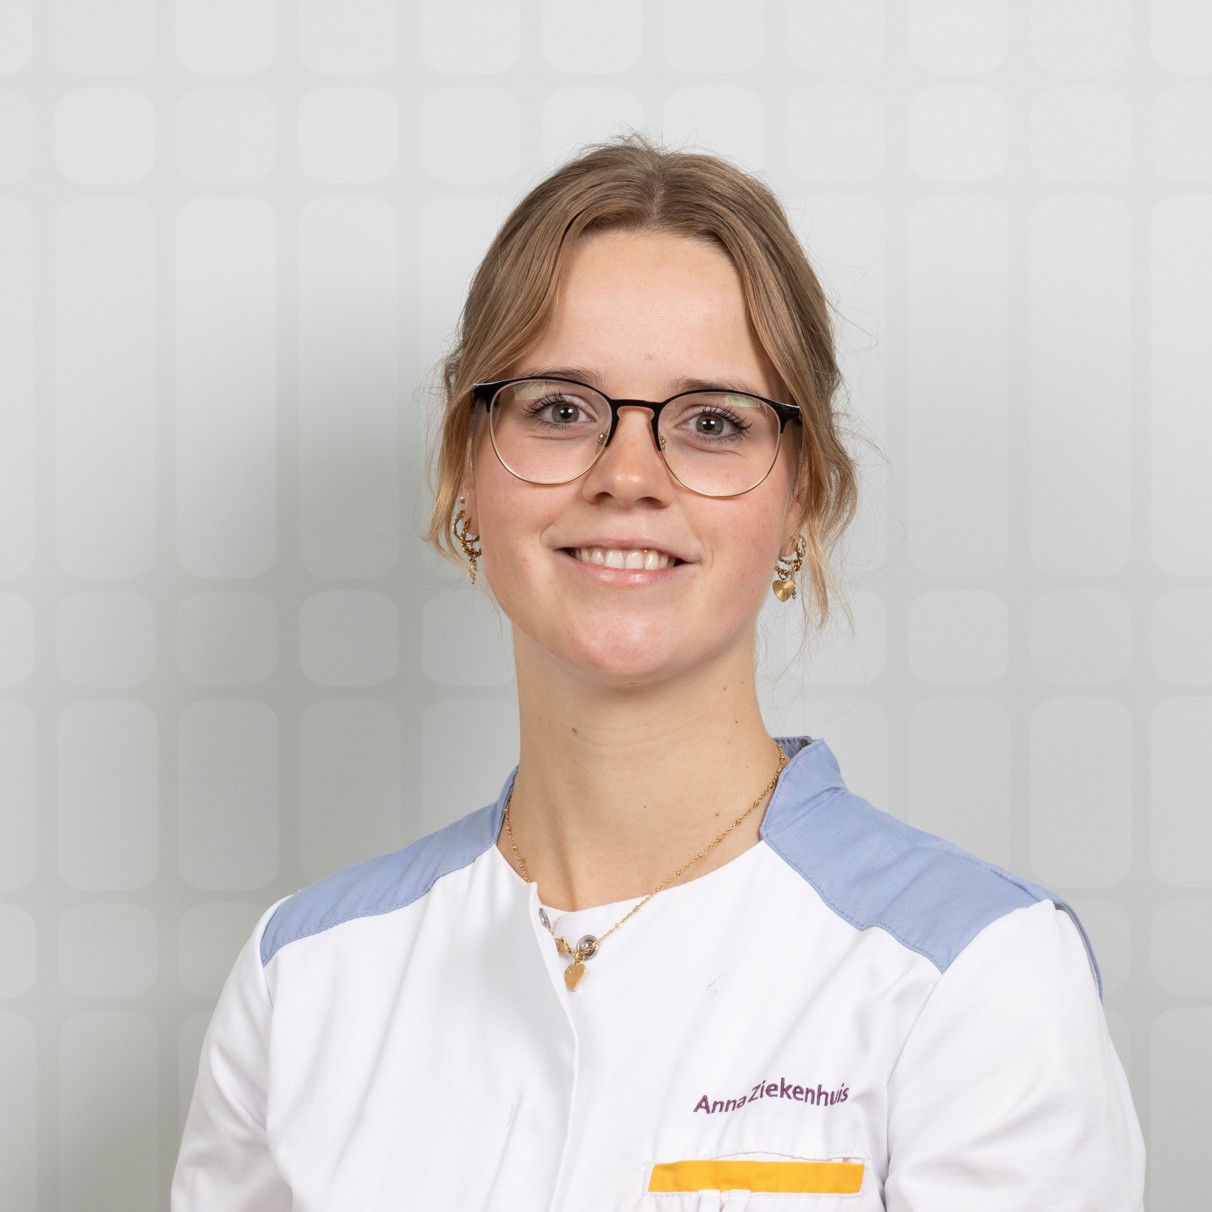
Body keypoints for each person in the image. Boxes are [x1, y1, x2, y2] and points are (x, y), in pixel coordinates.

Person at [172, 137, 1144, 1210]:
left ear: (803, 498)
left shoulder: (972, 978)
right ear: (464, 471)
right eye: (560, 409)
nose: (628, 475)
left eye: (712, 422)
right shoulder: (301, 979)